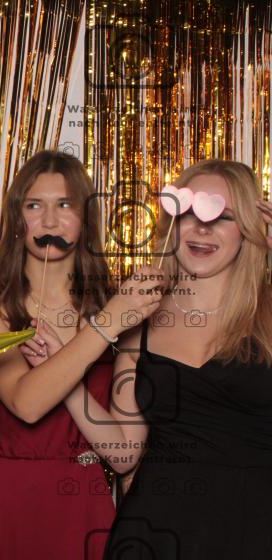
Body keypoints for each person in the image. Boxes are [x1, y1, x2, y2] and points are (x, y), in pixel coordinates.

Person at [0, 150, 164, 560]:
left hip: (81, 504)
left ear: (86, 219)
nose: (49, 222)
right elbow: (25, 404)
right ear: (17, 218)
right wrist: (107, 324)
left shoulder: (120, 308)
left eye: (65, 205)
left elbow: (123, 454)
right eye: (34, 206)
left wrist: (111, 318)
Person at [104, 160, 272, 559]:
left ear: (250, 230)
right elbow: (123, 454)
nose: (202, 228)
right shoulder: (139, 320)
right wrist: (69, 381)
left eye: (222, 216)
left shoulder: (267, 315)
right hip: (156, 532)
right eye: (189, 212)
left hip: (256, 528)